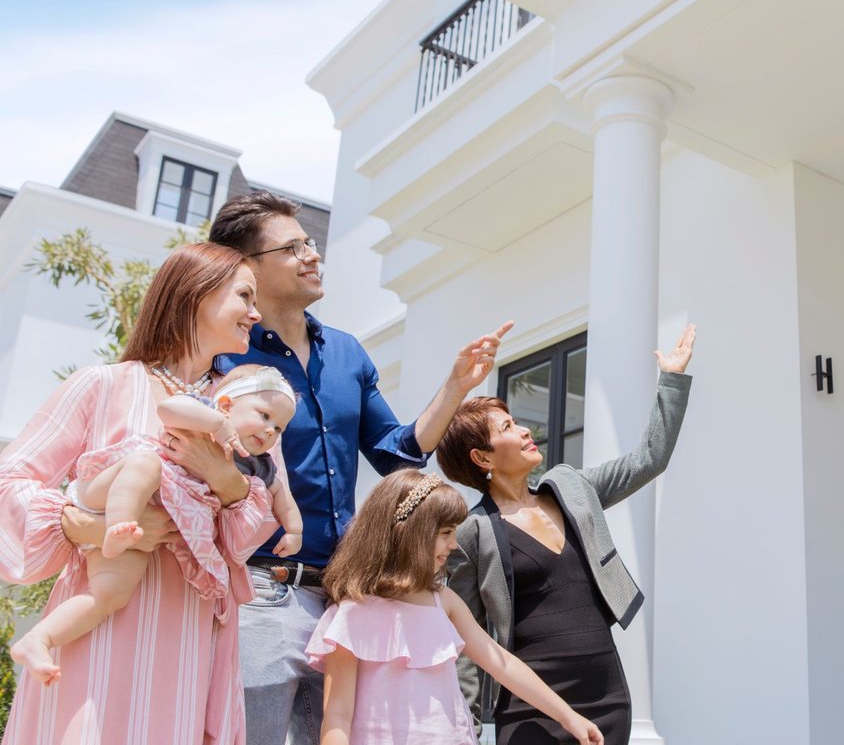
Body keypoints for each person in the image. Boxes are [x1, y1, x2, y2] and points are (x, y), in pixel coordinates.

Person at [208, 190, 512, 745]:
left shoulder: (347, 352)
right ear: (247, 265)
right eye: (292, 247)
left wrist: (455, 387)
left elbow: (395, 454)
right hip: (258, 590)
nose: (312, 255)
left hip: (340, 598)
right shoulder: (223, 355)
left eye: (309, 243)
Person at [0, 242, 279, 744]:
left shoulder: (247, 408)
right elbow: (8, 484)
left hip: (191, 637)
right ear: (197, 293)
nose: (256, 314)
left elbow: (250, 536)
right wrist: (85, 525)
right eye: (244, 296)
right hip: (96, 623)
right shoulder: (102, 386)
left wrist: (220, 475)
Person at [438, 324, 696, 744]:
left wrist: (672, 379)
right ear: (483, 457)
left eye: (517, 421)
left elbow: (649, 459)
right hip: (529, 707)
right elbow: (467, 640)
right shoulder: (472, 532)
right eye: (507, 427)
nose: (524, 430)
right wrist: (465, 730)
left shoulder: (572, 488)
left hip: (606, 693)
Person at [9, 362, 301, 686]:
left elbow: (282, 495)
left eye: (279, 427)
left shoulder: (258, 464)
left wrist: (294, 530)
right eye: (264, 415)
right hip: (110, 492)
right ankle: (117, 525)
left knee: (109, 596)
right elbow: (168, 409)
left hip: (139, 534)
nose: (271, 430)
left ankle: (39, 639)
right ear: (227, 404)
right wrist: (216, 422)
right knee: (146, 463)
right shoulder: (204, 414)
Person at [306, 470, 604, 745]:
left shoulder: (444, 602)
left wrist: (568, 716)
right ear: (412, 533)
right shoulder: (352, 613)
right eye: (446, 533)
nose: (453, 544)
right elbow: (337, 715)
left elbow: (502, 663)